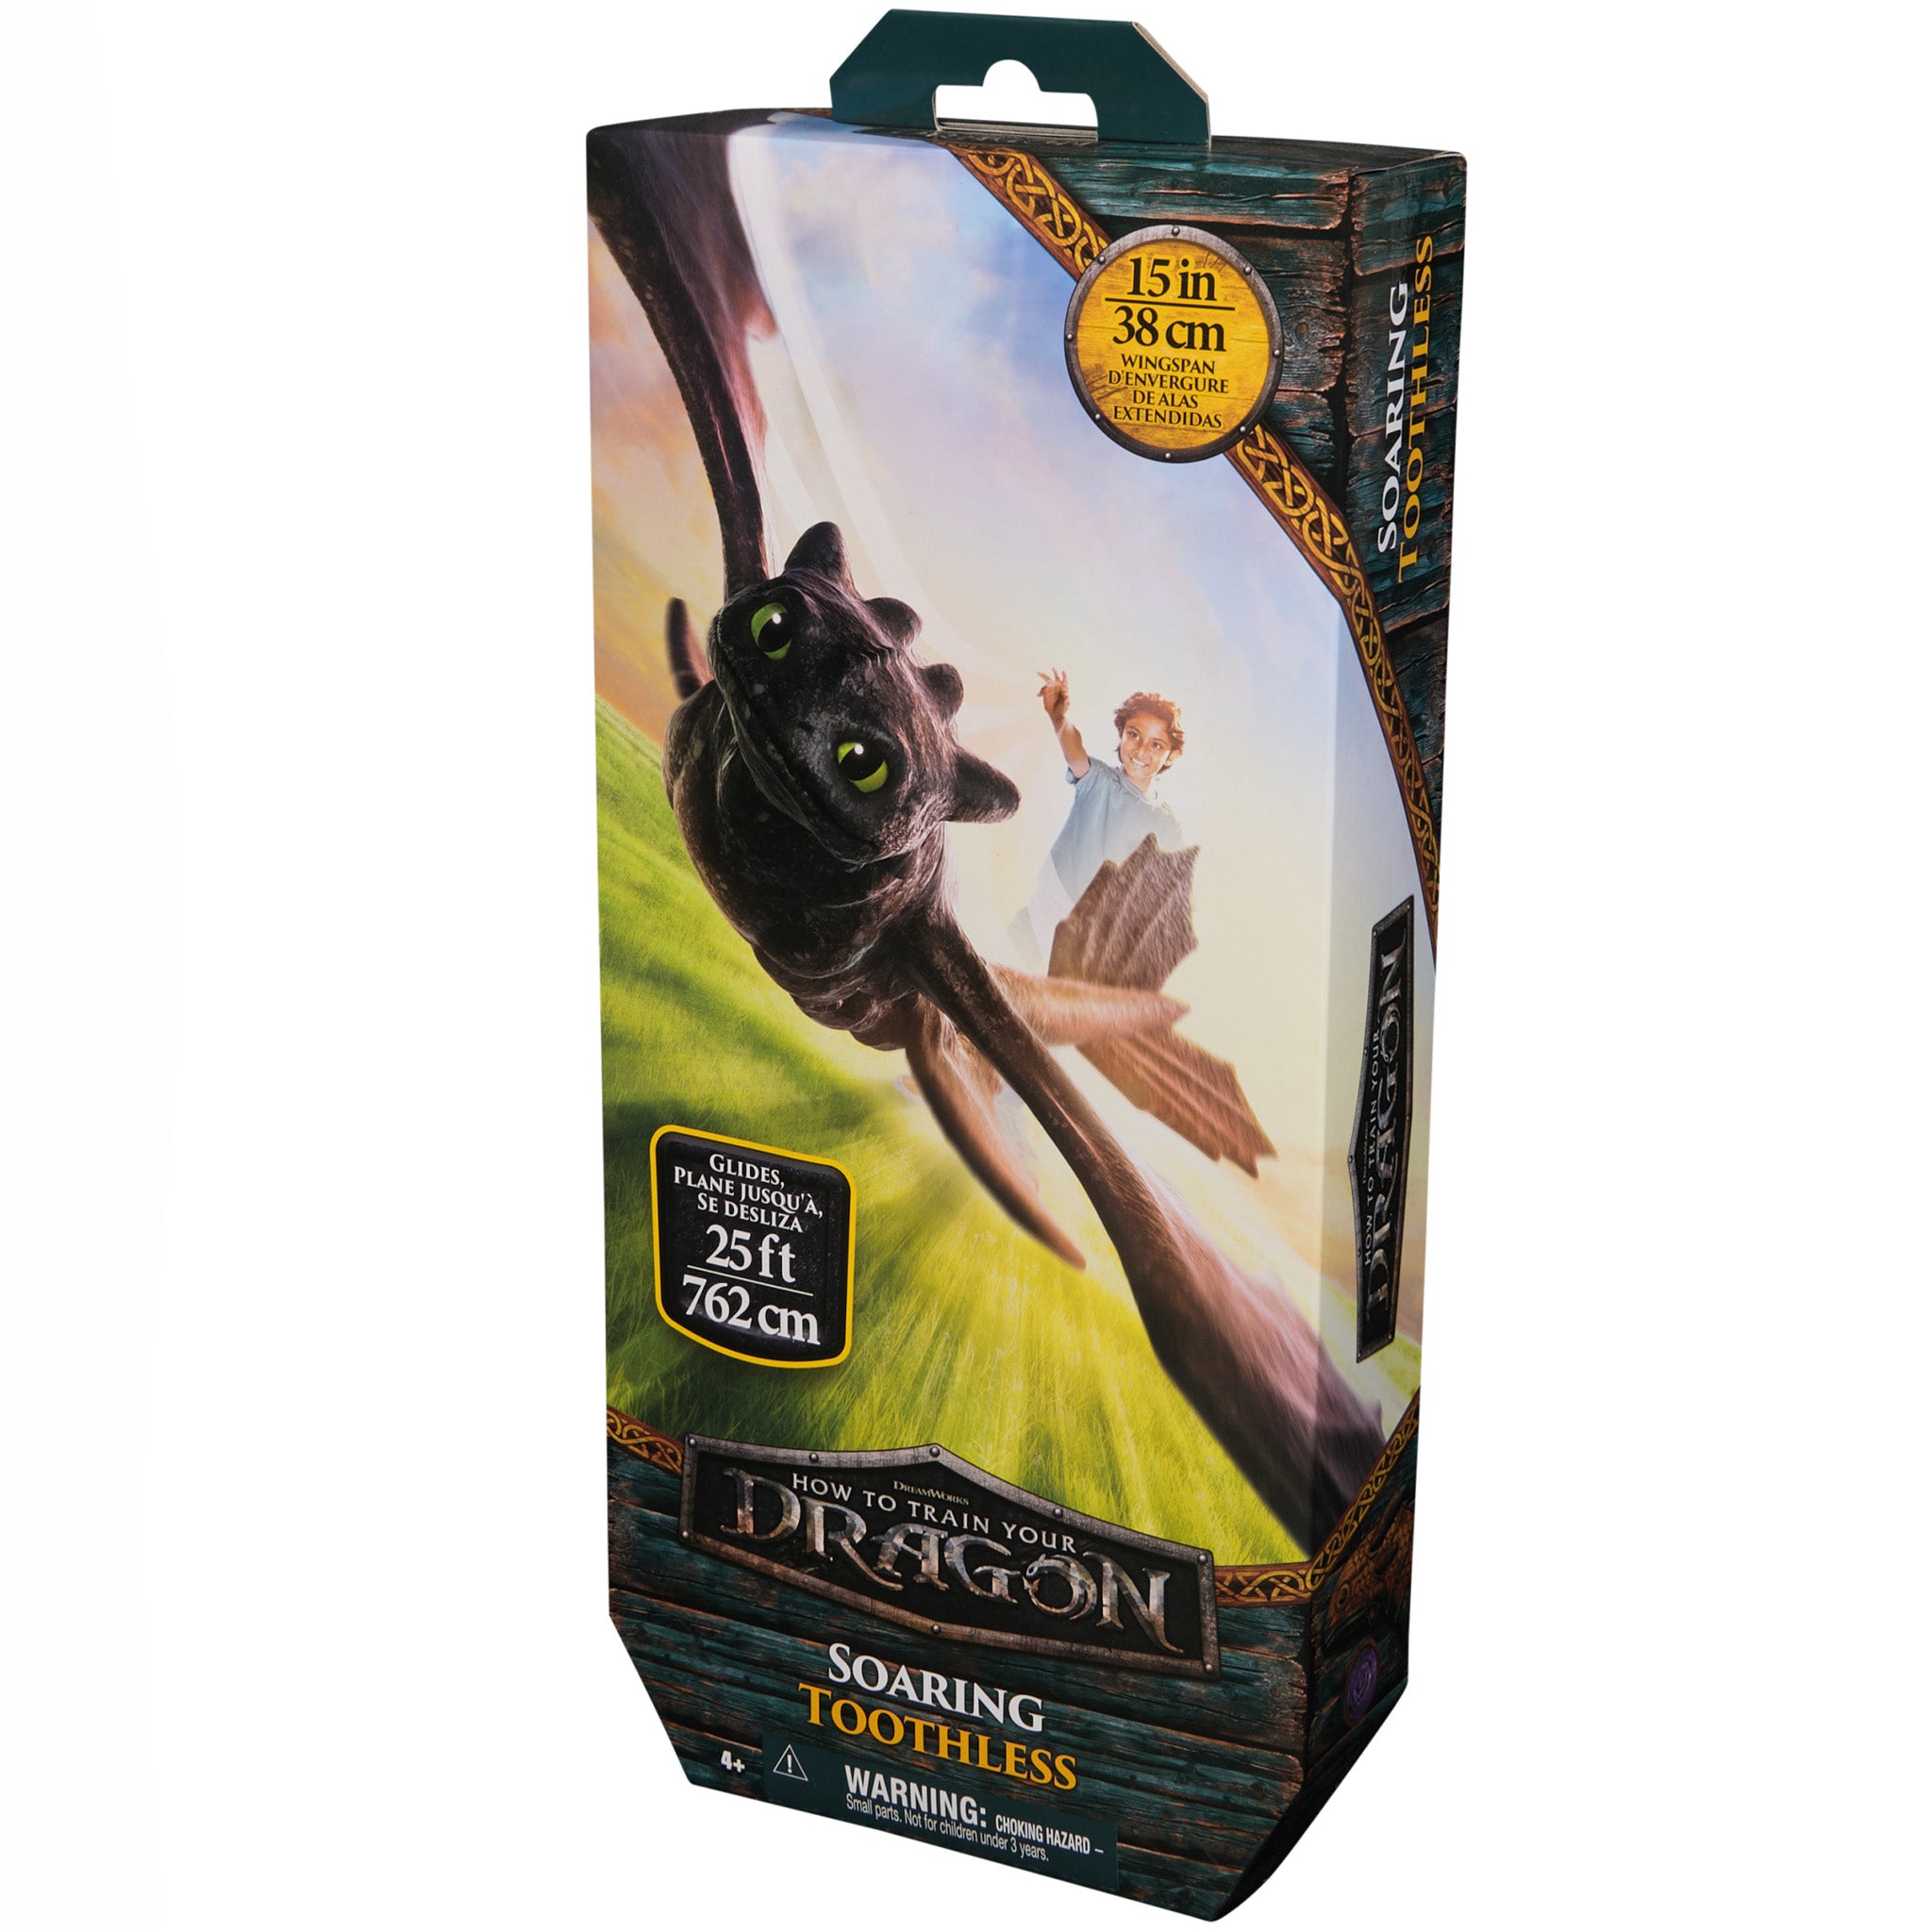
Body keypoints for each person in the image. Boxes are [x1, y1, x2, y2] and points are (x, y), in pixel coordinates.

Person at [1009, 670, 1187, 966]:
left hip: (1089, 952)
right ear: (1122, 733)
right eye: (1134, 735)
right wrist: (1058, 718)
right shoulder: (1099, 781)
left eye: (1156, 745)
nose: (1141, 749)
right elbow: (1075, 752)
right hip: (1038, 922)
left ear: (1171, 756)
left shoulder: (1167, 824)